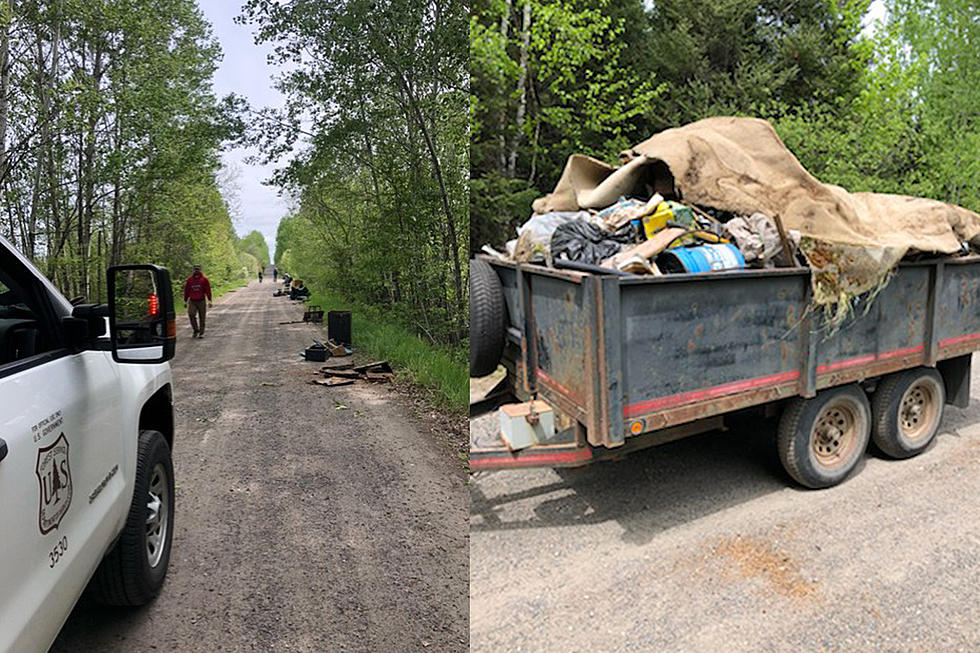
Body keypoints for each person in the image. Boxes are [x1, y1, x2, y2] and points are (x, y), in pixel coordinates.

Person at [183, 264, 212, 338]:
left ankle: (201, 333)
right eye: (195, 269)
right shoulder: (190, 280)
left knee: (202, 317)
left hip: (201, 300)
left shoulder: (204, 279)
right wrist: (185, 301)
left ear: (200, 270)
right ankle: (196, 329)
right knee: (191, 314)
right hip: (192, 301)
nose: (196, 271)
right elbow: (186, 290)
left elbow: (208, 290)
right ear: (193, 270)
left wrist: (209, 300)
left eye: (198, 269)